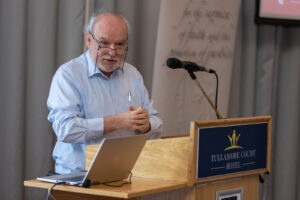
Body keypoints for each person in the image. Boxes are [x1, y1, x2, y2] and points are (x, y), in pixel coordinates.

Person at [47, 12, 163, 174]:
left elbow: (157, 122)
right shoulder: (68, 75)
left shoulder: (132, 75)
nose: (112, 51)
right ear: (89, 40)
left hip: (126, 175)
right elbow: (65, 129)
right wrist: (116, 122)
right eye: (104, 43)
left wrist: (147, 125)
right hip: (78, 178)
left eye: (120, 44)